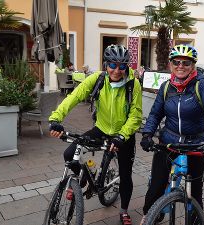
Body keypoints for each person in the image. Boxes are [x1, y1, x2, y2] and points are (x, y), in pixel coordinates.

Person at [49, 44, 142, 225]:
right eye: (112, 65)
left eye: (122, 66)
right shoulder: (97, 79)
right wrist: (56, 118)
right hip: (101, 129)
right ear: (105, 64)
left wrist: (122, 136)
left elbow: (136, 115)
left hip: (123, 135)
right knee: (69, 154)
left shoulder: (133, 84)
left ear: (126, 67)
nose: (117, 70)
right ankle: (81, 182)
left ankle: (123, 210)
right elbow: (74, 97)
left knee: (125, 174)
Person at [139, 44, 204, 223]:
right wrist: (147, 135)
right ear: (171, 65)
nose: (180, 66)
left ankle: (195, 219)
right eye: (176, 62)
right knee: (156, 185)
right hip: (169, 142)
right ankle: (149, 216)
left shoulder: (201, 86)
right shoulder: (166, 87)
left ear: (193, 66)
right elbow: (155, 113)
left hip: (196, 144)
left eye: (186, 63)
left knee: (195, 191)